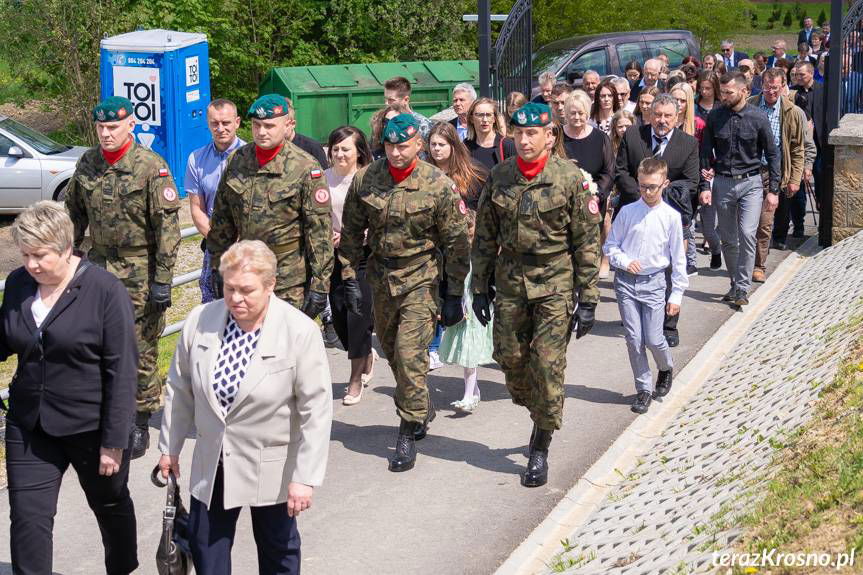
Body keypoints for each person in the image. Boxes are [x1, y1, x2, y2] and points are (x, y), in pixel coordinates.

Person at [158, 240, 333, 575]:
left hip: (272, 463)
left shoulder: (298, 331)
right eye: (229, 288)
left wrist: (305, 478)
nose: (236, 298)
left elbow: (316, 409)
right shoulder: (200, 320)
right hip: (214, 458)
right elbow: (179, 388)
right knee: (206, 548)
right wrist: (170, 448)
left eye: (247, 290)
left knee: (278, 550)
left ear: (271, 286)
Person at [2, 201, 138, 575]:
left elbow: (122, 369)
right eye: (26, 255)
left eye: (40, 255)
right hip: (30, 424)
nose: (31, 265)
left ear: (66, 248)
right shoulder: (17, 284)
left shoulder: (105, 290)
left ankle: (122, 568)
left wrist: (114, 440)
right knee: (28, 519)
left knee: (110, 505)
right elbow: (6, 338)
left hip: (91, 427)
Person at [471, 102, 601, 488]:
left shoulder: (569, 178)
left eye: (533, 134)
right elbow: (484, 236)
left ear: (550, 135)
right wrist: (480, 287)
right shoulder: (500, 177)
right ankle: (540, 409)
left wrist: (589, 296)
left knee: (547, 365)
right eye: (519, 133)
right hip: (510, 280)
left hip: (554, 282)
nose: (525, 140)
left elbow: (586, 241)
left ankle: (541, 442)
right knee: (509, 359)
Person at [339, 114, 470, 473]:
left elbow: (457, 243)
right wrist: (350, 277)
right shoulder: (367, 180)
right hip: (381, 280)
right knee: (395, 354)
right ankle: (420, 402)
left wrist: (454, 292)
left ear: (418, 145)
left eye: (404, 146)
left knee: (411, 354)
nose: (396, 153)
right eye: (390, 146)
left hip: (421, 278)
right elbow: (351, 232)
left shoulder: (437, 184)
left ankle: (407, 429)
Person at [65, 96, 180, 459]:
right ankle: (104, 414)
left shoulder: (150, 167)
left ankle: (139, 420)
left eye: (113, 127)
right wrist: (63, 259)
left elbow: (167, 229)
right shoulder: (88, 164)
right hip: (98, 268)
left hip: (139, 272)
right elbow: (72, 216)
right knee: (96, 343)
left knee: (140, 347)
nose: (106, 134)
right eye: (100, 127)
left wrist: (163, 280)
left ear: (131, 125)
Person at [207, 93, 334, 318]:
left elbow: (319, 232)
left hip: (286, 277)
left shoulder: (305, 167)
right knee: (247, 341)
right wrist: (218, 266)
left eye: (269, 126)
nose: (261, 132)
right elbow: (222, 220)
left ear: (287, 125)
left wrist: (321, 285)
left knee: (283, 346)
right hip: (245, 271)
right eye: (256, 125)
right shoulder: (237, 160)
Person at [603, 158, 687, 415]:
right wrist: (625, 261)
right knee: (634, 338)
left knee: (653, 337)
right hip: (627, 283)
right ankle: (643, 388)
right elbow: (610, 246)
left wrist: (677, 294)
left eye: (653, 187)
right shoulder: (628, 212)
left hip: (654, 282)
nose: (648, 192)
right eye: (643, 187)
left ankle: (665, 366)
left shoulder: (671, 217)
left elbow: (678, 258)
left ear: (665, 184)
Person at [614, 94, 697, 347]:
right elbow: (621, 172)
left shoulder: (688, 143)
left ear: (677, 117)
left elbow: (691, 181)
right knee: (634, 265)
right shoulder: (633, 136)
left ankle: (669, 325)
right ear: (649, 114)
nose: (661, 120)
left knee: (670, 268)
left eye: (667, 116)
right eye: (657, 115)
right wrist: (642, 194)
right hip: (635, 213)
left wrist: (658, 193)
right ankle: (637, 315)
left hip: (670, 216)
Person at [699, 71, 780, 307]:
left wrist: (773, 189)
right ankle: (735, 283)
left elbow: (773, 154)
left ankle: (743, 287)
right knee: (728, 238)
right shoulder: (715, 117)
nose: (724, 96)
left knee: (747, 233)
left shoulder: (758, 118)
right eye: (722, 92)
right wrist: (705, 185)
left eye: (729, 92)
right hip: (723, 182)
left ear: (744, 91)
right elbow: (705, 154)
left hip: (751, 183)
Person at [429, 123, 493, 413]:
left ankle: (470, 390)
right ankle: (471, 386)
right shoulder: (425, 175)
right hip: (435, 258)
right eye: (432, 144)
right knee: (447, 319)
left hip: (467, 257)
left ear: (453, 146)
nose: (436, 149)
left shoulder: (474, 174)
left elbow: (488, 212)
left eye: (442, 144)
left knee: (467, 321)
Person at [324, 126, 378, 405]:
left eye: (346, 148)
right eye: (335, 148)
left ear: (359, 151)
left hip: (363, 257)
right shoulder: (322, 180)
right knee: (341, 316)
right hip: (334, 257)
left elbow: (381, 217)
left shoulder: (370, 178)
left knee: (358, 315)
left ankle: (355, 379)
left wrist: (358, 234)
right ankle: (365, 353)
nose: (340, 154)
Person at [186, 99, 246, 304]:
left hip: (247, 244)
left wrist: (238, 243)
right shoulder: (196, 159)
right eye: (214, 123)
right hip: (214, 244)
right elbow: (196, 208)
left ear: (237, 122)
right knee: (211, 302)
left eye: (226, 122)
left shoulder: (252, 157)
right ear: (208, 124)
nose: (220, 128)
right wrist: (218, 241)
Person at [750, 68, 805, 283]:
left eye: (775, 87)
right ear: (761, 85)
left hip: (774, 173)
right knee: (746, 224)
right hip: (750, 171)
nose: (771, 91)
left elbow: (797, 148)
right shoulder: (750, 104)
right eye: (767, 86)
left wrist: (794, 179)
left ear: (783, 86)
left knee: (765, 222)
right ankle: (745, 262)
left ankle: (758, 265)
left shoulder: (793, 112)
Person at [669, 82, 706, 278]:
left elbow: (705, 154)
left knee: (687, 223)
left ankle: (689, 262)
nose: (679, 103)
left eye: (683, 100)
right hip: (668, 179)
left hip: (690, 179)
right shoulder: (664, 120)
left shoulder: (698, 124)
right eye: (675, 99)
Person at [563, 90, 614, 214]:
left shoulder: (601, 138)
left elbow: (609, 172)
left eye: (581, 113)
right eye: (573, 113)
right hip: (563, 204)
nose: (577, 117)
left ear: (587, 113)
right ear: (566, 113)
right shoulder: (557, 136)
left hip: (593, 204)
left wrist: (597, 196)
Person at [464, 97, 516, 171]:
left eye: (488, 115)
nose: (485, 120)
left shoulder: (507, 144)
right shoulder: (465, 146)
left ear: (494, 118)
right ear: (472, 119)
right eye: (480, 115)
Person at [384, 76, 433, 141]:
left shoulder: (423, 125)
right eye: (386, 99)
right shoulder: (382, 121)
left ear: (406, 100)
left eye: (391, 100)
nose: (386, 103)